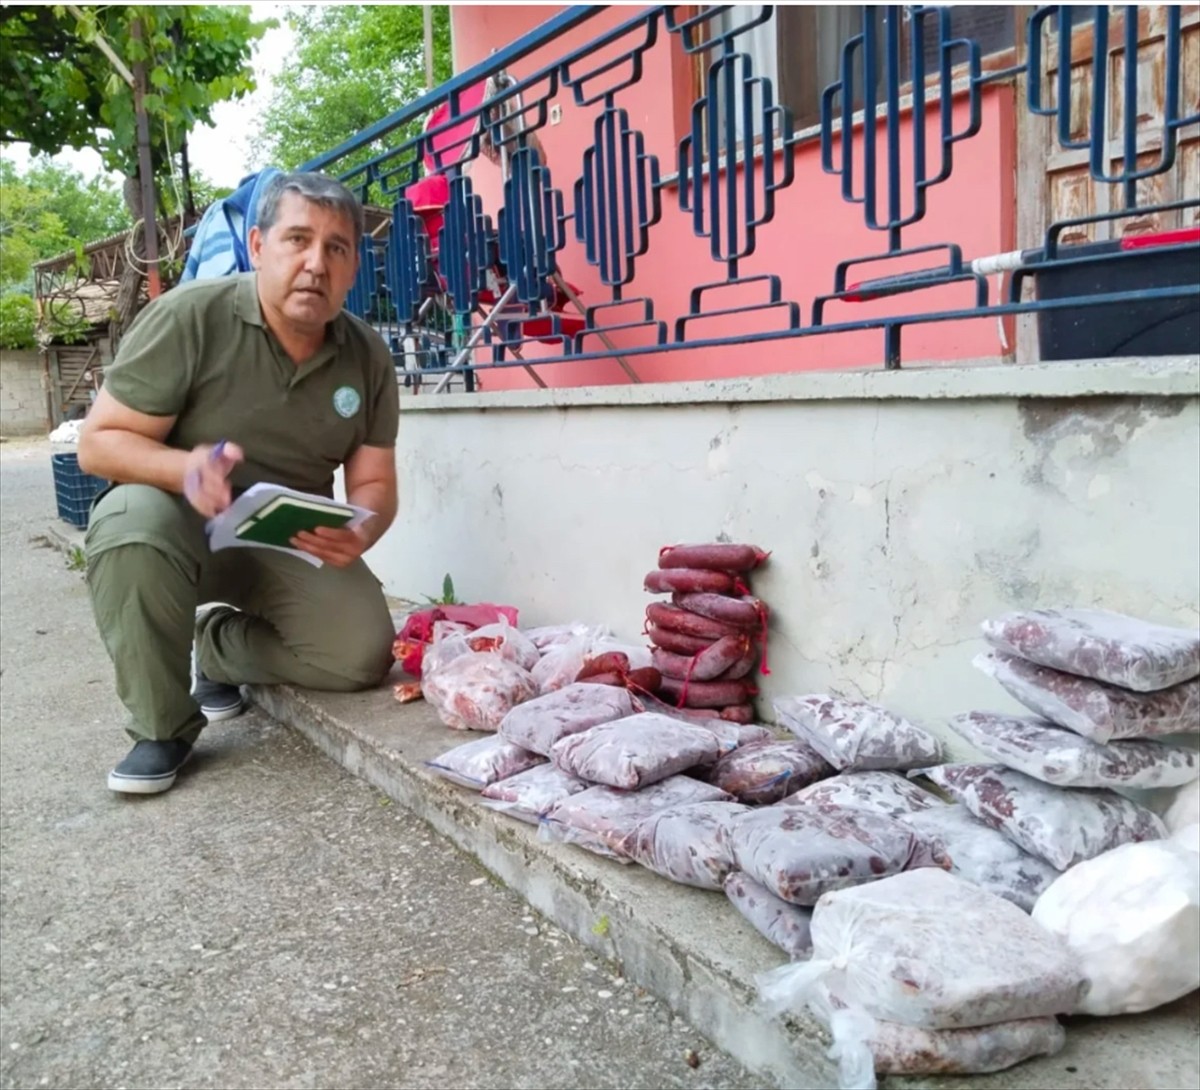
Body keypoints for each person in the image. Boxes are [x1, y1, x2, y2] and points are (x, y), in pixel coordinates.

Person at [78, 172, 399, 796]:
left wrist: (362, 527)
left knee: (360, 652)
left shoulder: (367, 355)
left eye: (336, 248)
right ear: (257, 246)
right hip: (180, 524)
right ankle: (162, 727)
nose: (315, 263)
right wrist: (185, 468)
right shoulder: (189, 317)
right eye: (298, 240)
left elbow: (376, 479)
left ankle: (221, 649)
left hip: (286, 537)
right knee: (129, 525)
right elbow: (99, 443)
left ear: (355, 265)